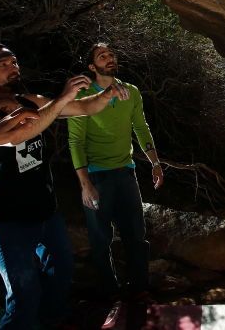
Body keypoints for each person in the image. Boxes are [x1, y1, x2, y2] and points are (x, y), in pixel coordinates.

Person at [0, 41, 129, 329]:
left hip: (45, 211)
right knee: (23, 294)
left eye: (14, 61)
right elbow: (23, 133)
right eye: (3, 64)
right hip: (7, 218)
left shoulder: (28, 99)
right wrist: (60, 99)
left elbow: (84, 107)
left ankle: (51, 322)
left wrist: (107, 93)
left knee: (60, 274)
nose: (13, 67)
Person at [67, 42, 164, 300]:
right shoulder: (82, 97)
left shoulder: (130, 91)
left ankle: (139, 290)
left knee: (136, 235)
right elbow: (75, 141)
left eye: (111, 54)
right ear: (92, 66)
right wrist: (85, 183)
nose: (109, 58)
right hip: (97, 176)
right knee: (100, 240)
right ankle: (109, 295)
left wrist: (155, 162)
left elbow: (141, 128)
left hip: (126, 172)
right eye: (102, 56)